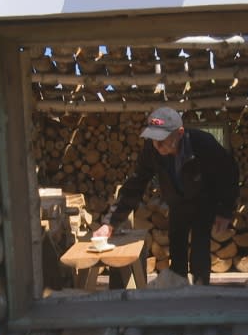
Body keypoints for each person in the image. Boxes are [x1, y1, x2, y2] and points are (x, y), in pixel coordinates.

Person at [93, 106, 239, 287]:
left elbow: (228, 174)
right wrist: (110, 223)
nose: (157, 145)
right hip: (177, 203)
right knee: (177, 250)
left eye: (161, 139)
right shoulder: (152, 148)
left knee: (200, 248)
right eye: (153, 138)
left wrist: (225, 210)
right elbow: (136, 183)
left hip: (204, 201)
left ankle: (201, 294)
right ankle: (177, 295)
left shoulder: (204, 143)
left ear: (179, 133)